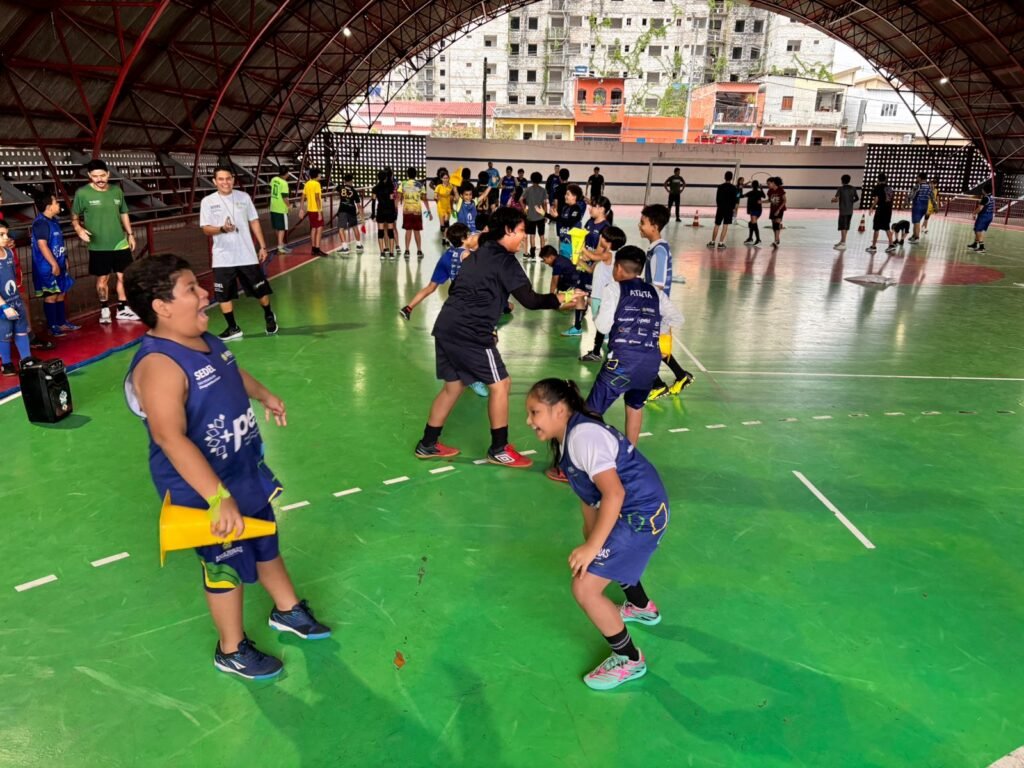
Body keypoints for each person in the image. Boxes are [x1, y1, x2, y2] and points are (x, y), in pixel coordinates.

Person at [123, 254, 330, 680]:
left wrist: (265, 394)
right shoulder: (158, 366)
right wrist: (217, 498)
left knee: (265, 537)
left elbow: (232, 372)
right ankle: (231, 649)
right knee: (226, 563)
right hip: (204, 492)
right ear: (162, 307)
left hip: (242, 471)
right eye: (191, 289)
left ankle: (287, 610)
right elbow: (169, 438)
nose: (205, 294)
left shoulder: (206, 340)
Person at [525, 377, 669, 691]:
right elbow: (590, 495)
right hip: (635, 509)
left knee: (585, 589)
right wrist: (593, 539)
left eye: (534, 412)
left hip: (641, 515)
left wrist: (594, 547)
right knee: (602, 554)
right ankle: (641, 607)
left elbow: (614, 493)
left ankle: (630, 659)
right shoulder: (568, 437)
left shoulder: (583, 437)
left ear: (559, 410)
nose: (528, 421)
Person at [414, 207, 583, 468]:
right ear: (507, 230)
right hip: (471, 333)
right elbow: (530, 300)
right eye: (521, 231)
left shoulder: (478, 254)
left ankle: (427, 443)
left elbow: (457, 288)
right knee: (501, 385)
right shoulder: (505, 261)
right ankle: (499, 449)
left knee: (453, 387)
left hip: (446, 326)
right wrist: (564, 297)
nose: (524, 236)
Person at [198, 165, 277, 340]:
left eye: (228, 178)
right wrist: (222, 229)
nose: (225, 182)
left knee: (260, 291)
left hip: (246, 255)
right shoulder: (207, 202)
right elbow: (206, 229)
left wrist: (262, 246)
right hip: (222, 258)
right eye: (221, 179)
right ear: (214, 182)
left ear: (233, 180)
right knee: (223, 295)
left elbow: (254, 221)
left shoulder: (244, 197)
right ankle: (233, 328)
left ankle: (269, 315)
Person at [71, 158, 139, 323]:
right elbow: (74, 216)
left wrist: (130, 234)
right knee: (103, 279)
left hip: (120, 242)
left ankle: (123, 308)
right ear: (89, 176)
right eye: (95, 176)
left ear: (108, 174)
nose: (99, 179)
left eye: (102, 175)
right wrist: (79, 229)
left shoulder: (116, 191)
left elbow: (124, 213)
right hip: (98, 246)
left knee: (124, 276)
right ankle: (104, 309)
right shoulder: (82, 193)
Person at [639, 204, 694, 399]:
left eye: (643, 222)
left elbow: (658, 286)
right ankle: (681, 376)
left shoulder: (659, 252)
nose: (639, 226)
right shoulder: (656, 249)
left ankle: (657, 385)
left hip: (656, 308)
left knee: (646, 346)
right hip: (656, 307)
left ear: (654, 226)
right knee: (655, 346)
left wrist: (645, 307)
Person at [562, 196, 611, 337]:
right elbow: (582, 238)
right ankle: (577, 327)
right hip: (584, 264)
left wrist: (585, 256)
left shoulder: (605, 228)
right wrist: (578, 251)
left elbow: (600, 253)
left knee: (592, 299)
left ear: (601, 209)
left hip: (595, 268)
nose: (590, 208)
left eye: (593, 206)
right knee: (579, 292)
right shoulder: (590, 222)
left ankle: (606, 329)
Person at [400, 223, 472, 320]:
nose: (471, 236)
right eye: (469, 235)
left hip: (446, 257)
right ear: (463, 239)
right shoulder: (466, 253)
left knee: (431, 287)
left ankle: (408, 308)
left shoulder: (454, 247)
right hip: (459, 281)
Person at [31, 191, 78, 338]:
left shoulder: (54, 221)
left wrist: (65, 258)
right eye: (56, 202)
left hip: (59, 262)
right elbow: (42, 245)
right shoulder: (41, 223)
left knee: (61, 292)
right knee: (51, 295)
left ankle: (62, 322)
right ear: (48, 206)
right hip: (47, 267)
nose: (58, 204)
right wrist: (54, 264)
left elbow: (59, 242)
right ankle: (53, 326)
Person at [579, 225, 626, 363]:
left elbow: (592, 255)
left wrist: (580, 246)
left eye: (603, 237)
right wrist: (578, 261)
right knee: (600, 324)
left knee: (602, 324)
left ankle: (600, 352)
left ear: (609, 242)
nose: (600, 238)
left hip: (601, 297)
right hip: (598, 296)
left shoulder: (609, 254)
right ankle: (600, 350)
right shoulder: (606, 257)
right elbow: (591, 270)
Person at [0, 223, 38, 376]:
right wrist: (4, 307)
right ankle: (6, 364)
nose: (6, 238)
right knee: (4, 333)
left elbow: (12, 277)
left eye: (6, 234)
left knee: (21, 330)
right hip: (2, 305)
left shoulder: (9, 253)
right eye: (1, 234)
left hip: (15, 300)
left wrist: (17, 299)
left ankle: (27, 359)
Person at [399, 167, 431, 260]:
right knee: (417, 231)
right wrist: (429, 211)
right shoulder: (420, 185)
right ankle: (419, 251)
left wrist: (396, 207)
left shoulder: (403, 184)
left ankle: (407, 251)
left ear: (407, 174)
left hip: (407, 210)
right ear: (415, 174)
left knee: (408, 230)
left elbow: (399, 197)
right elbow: (424, 199)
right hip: (417, 211)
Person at [552, 183, 586, 261]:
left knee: (570, 263)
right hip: (564, 241)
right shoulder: (565, 207)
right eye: (565, 194)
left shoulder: (576, 209)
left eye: (568, 194)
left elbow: (569, 222)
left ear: (574, 197)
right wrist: (544, 214)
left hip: (572, 243)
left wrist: (557, 217)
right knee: (563, 261)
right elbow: (559, 219)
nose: (565, 196)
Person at [334, 173, 364, 254]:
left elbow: (335, 189)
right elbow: (359, 206)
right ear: (352, 181)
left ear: (344, 180)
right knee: (355, 227)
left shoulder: (340, 187)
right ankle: (359, 245)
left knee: (341, 228)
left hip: (342, 210)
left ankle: (345, 248)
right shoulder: (354, 191)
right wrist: (362, 218)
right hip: (352, 210)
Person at [867, 172, 896, 253]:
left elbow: (876, 199)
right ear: (886, 179)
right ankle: (891, 245)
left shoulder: (877, 187)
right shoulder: (889, 188)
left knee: (876, 228)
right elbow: (890, 199)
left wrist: (871, 207)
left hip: (881, 209)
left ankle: (873, 246)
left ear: (878, 179)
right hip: (888, 210)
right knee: (887, 227)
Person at [372, 170, 398, 259]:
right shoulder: (390, 187)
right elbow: (392, 200)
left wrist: (373, 214)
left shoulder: (375, 188)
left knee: (380, 232)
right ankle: (391, 253)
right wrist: (394, 212)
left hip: (380, 211)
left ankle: (382, 253)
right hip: (389, 211)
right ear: (386, 177)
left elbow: (373, 202)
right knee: (390, 232)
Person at [523, 172, 548, 260]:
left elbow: (521, 199)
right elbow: (545, 203)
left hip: (530, 216)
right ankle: (543, 255)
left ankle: (532, 254)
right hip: (541, 216)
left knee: (532, 235)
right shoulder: (543, 190)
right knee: (542, 235)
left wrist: (524, 208)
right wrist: (545, 214)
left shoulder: (528, 190)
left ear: (532, 179)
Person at [709, 171, 737, 248]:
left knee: (717, 225)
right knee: (725, 225)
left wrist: (719, 206)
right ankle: (721, 243)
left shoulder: (720, 187)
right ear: (731, 178)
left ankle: (712, 242)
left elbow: (717, 198)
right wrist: (733, 208)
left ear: (725, 177)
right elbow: (734, 200)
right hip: (729, 209)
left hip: (720, 208)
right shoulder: (734, 188)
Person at [831, 174, 859, 250]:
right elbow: (857, 198)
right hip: (850, 210)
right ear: (849, 180)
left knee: (842, 227)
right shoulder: (853, 188)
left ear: (842, 181)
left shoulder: (840, 189)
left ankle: (843, 243)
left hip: (843, 211)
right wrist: (851, 202)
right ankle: (842, 241)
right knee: (846, 226)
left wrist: (832, 200)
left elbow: (836, 200)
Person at [302, 168, 324, 256]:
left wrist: (301, 209)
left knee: (313, 228)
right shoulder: (317, 184)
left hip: (310, 209)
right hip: (316, 210)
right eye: (320, 174)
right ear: (317, 175)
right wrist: (319, 212)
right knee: (319, 228)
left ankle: (313, 248)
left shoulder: (307, 183)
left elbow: (302, 196)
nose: (321, 175)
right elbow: (317, 198)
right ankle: (317, 249)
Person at [269, 168, 291, 254]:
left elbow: (271, 188)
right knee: (282, 228)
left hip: (273, 206)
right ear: (286, 173)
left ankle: (281, 244)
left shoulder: (274, 179)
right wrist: (289, 206)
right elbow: (284, 197)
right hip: (281, 208)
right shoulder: (284, 183)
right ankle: (280, 247)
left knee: (277, 227)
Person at [908, 172, 936, 243]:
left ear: (920, 178)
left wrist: (906, 202)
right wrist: (935, 206)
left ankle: (916, 237)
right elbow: (932, 197)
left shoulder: (917, 186)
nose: (917, 178)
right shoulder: (929, 187)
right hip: (925, 206)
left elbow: (911, 196)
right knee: (916, 222)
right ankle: (914, 235)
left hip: (917, 206)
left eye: (917, 177)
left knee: (916, 222)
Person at [742, 180, 766, 246]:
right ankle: (750, 238)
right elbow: (764, 196)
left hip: (753, 210)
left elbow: (741, 196)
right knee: (751, 223)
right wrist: (761, 189)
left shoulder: (750, 192)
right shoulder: (759, 192)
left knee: (754, 224)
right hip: (759, 210)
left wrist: (738, 190)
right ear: (758, 186)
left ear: (752, 185)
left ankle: (758, 239)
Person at [433, 171, 455, 240]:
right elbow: (435, 195)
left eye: (447, 178)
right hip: (440, 206)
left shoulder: (451, 186)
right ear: (441, 179)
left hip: (448, 207)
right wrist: (436, 197)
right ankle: (443, 236)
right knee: (442, 226)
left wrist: (452, 206)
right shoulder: (439, 187)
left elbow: (452, 196)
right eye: (444, 178)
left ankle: (446, 237)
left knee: (447, 223)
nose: (446, 179)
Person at [767, 176, 787, 249]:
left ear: (773, 183)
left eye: (769, 183)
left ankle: (776, 240)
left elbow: (784, 200)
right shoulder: (769, 191)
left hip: (780, 209)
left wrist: (778, 210)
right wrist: (761, 202)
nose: (768, 185)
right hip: (773, 210)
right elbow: (770, 200)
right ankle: (777, 240)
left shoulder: (780, 190)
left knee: (776, 224)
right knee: (774, 226)